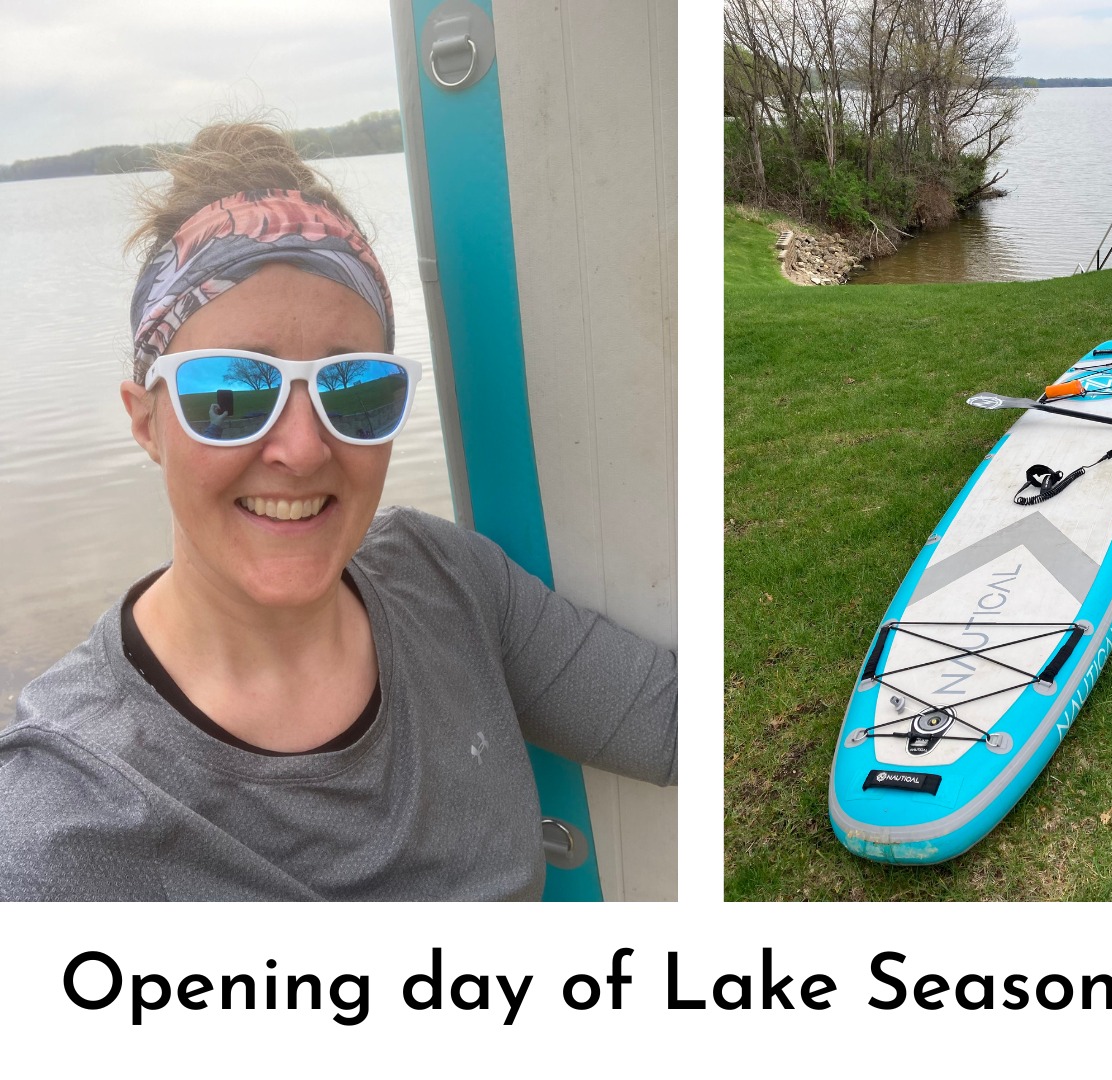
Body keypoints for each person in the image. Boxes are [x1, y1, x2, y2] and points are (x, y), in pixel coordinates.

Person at [0, 123, 678, 901]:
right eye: (231, 393)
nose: (302, 447)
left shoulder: (445, 582)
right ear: (147, 420)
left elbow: (663, 721)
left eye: (353, 389)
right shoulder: (62, 821)